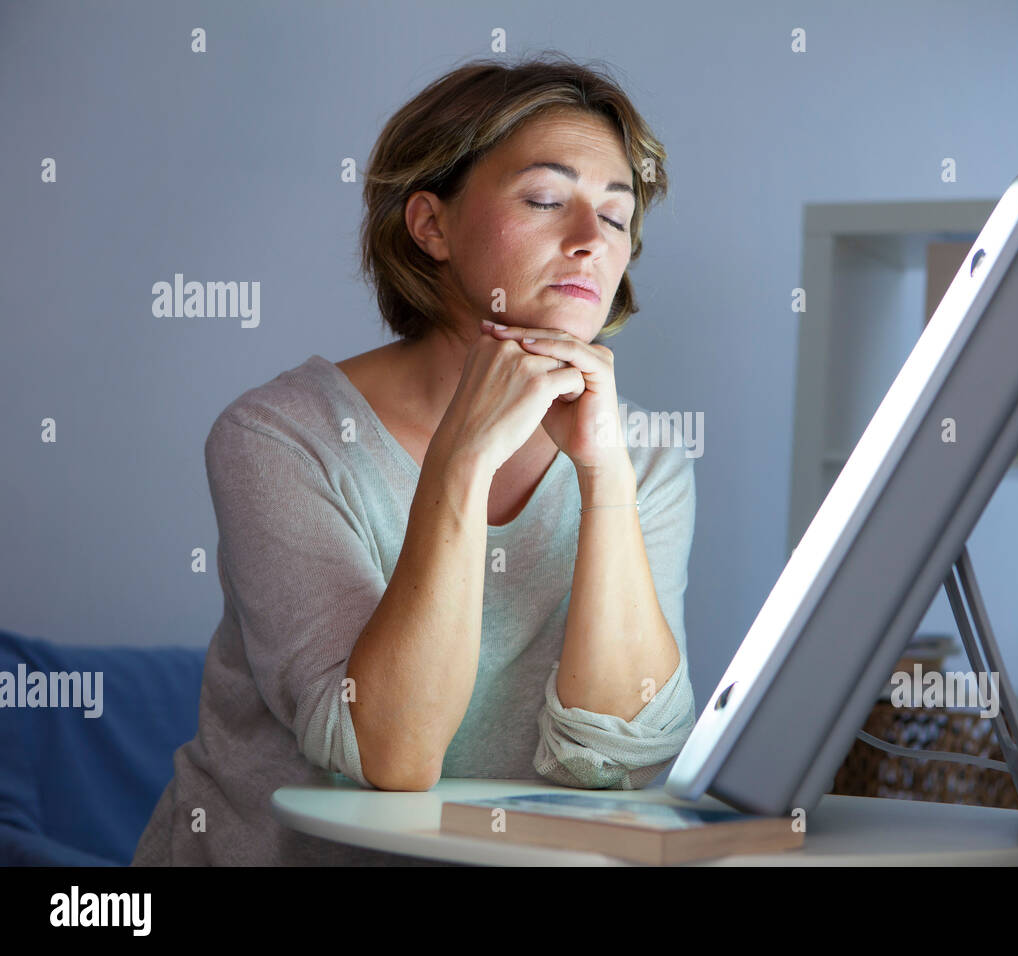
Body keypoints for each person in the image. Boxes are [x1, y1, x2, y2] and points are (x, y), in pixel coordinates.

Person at [132, 54, 697, 866]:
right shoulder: (278, 434)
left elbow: (619, 757)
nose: (589, 242)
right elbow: (389, 756)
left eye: (615, 217)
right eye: (545, 200)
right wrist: (460, 467)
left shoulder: (646, 455)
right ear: (430, 224)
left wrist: (605, 478)